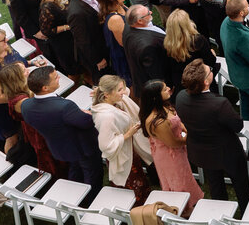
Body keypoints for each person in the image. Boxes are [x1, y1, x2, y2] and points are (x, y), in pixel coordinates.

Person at [175, 58, 249, 209]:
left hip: (202, 151)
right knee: (241, 185)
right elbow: (238, 125)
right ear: (206, 82)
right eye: (209, 70)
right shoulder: (219, 104)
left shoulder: (181, 97)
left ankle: (220, 211)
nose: (211, 68)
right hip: (227, 152)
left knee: (215, 186)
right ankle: (246, 211)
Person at [22, 65, 103, 194]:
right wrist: (88, 113)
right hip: (83, 147)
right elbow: (87, 122)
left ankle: (75, 197)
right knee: (92, 174)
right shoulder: (64, 107)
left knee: (75, 170)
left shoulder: (26, 105)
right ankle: (91, 200)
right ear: (45, 88)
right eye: (55, 77)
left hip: (60, 146)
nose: (59, 77)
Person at [139, 80, 203, 215]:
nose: (168, 88)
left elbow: (177, 121)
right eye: (164, 89)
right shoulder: (157, 121)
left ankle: (189, 203)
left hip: (177, 149)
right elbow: (172, 143)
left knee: (184, 176)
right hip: (170, 156)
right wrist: (189, 138)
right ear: (155, 97)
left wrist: (185, 129)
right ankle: (183, 210)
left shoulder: (164, 106)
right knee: (178, 180)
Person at [90, 74, 152, 205]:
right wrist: (128, 134)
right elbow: (105, 145)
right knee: (131, 183)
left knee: (138, 178)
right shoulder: (107, 117)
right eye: (119, 90)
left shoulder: (111, 100)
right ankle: (136, 209)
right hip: (121, 153)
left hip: (128, 149)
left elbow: (126, 92)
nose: (124, 92)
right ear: (106, 94)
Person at [1, 61, 67, 178]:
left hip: (38, 130)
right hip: (40, 134)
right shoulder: (21, 101)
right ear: (17, 78)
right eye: (24, 71)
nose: (28, 71)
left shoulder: (21, 92)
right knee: (52, 160)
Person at [67, 0, 108, 83]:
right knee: (104, 80)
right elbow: (82, 40)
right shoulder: (76, 13)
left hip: (105, 44)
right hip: (97, 53)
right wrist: (97, 59)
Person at [162, 8, 215, 91]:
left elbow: (166, 68)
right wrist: (213, 54)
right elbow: (210, 62)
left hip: (180, 83)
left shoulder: (167, 44)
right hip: (199, 81)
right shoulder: (198, 41)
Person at [39, 0, 76, 74]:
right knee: (74, 72)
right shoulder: (48, 6)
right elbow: (46, 31)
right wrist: (68, 27)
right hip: (64, 42)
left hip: (76, 37)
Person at [124, 5, 170, 87]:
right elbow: (155, 72)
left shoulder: (130, 26)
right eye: (148, 13)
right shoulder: (147, 47)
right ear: (140, 21)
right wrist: (164, 86)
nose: (151, 12)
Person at [100, 0, 131, 84]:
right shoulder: (115, 18)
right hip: (124, 55)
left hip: (129, 50)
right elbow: (124, 43)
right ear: (114, 0)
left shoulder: (122, 6)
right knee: (131, 82)